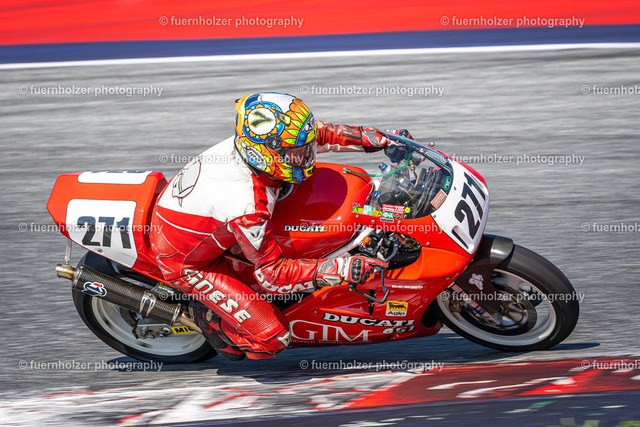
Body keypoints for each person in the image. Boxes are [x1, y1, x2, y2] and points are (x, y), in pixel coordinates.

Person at [149, 92, 410, 360]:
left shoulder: (265, 144)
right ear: (264, 154)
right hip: (189, 261)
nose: (306, 155)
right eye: (296, 153)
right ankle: (211, 319)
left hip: (201, 218)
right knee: (271, 339)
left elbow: (323, 134)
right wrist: (342, 268)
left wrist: (384, 139)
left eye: (304, 149)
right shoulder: (247, 204)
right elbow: (272, 276)